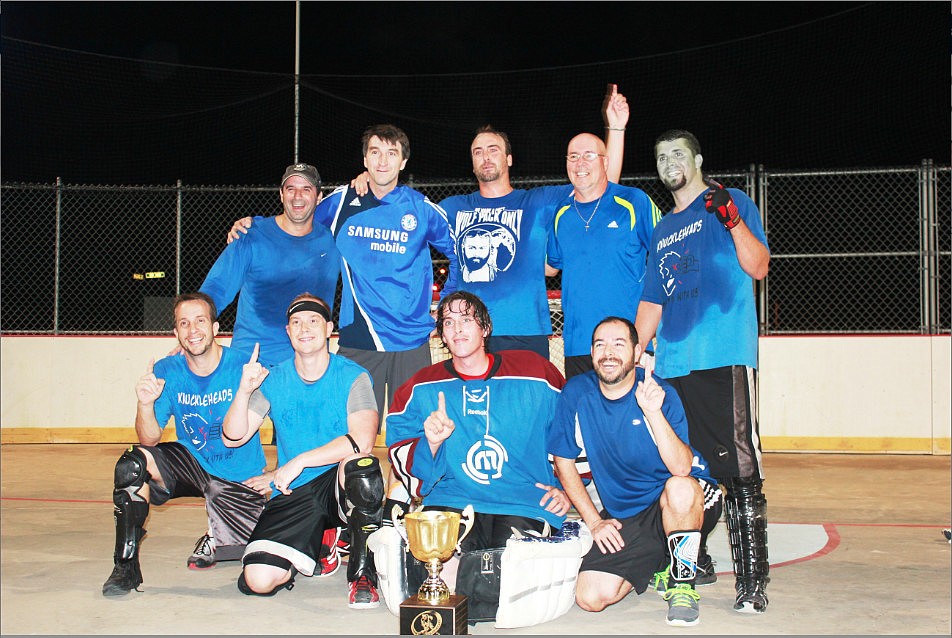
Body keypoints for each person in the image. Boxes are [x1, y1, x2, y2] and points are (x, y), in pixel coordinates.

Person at [635, 129, 771, 613]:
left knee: (738, 468)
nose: (670, 162)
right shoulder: (662, 228)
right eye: (660, 156)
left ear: (696, 158)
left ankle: (753, 583)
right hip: (673, 362)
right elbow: (652, 298)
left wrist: (733, 222)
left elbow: (759, 267)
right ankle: (698, 560)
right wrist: (636, 348)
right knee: (686, 467)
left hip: (722, 353)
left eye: (678, 153)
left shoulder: (729, 201)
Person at [429, 84, 629, 360]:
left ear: (509, 158)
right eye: (478, 152)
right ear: (472, 163)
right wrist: (367, 185)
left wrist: (616, 130)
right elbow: (405, 229)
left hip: (525, 331)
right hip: (470, 334)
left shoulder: (538, 202)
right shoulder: (451, 208)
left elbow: (601, 187)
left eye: (493, 149)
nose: (485, 157)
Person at [547, 316, 722, 627]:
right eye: (600, 344)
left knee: (680, 489)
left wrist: (653, 412)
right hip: (630, 514)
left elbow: (681, 468)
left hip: (684, 498)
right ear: (591, 353)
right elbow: (564, 462)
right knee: (590, 597)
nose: (608, 352)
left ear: (637, 352)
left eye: (619, 344)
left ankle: (682, 585)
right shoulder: (577, 393)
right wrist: (595, 522)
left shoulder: (658, 392)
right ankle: (660, 560)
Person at [221, 293, 385, 609]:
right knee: (258, 580)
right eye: (296, 322)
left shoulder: (353, 376)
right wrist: (244, 391)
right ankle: (318, 543)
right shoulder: (274, 379)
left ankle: (362, 574)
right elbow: (233, 437)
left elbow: (362, 440)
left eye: (313, 321)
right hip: (294, 492)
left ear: (329, 329)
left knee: (361, 466)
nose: (304, 328)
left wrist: (299, 461)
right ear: (287, 331)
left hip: (338, 485)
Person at [101, 292, 271, 597]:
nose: (193, 330)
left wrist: (277, 473)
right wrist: (143, 404)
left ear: (216, 328)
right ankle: (125, 567)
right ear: (176, 333)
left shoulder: (243, 366)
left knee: (262, 558)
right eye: (184, 323)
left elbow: (284, 419)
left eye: (200, 321)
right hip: (191, 464)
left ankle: (215, 534)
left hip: (238, 476)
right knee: (132, 463)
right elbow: (149, 440)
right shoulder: (168, 370)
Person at [386, 291, 570, 563]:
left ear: (485, 328)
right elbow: (408, 466)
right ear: (442, 336)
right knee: (435, 580)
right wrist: (432, 444)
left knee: (497, 579)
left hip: (523, 501)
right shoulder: (420, 387)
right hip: (453, 499)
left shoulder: (535, 372)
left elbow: (570, 432)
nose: (457, 328)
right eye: (448, 322)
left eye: (467, 320)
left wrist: (566, 489)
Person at [545, 130, 662, 379]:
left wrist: (642, 338)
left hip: (628, 346)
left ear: (605, 161)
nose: (580, 163)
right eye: (573, 156)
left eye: (589, 155)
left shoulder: (634, 202)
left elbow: (668, 258)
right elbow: (549, 267)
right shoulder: (560, 213)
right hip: (579, 347)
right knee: (584, 418)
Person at [201, 162, 340, 368]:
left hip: (308, 368)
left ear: (319, 197)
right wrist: (193, 331)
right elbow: (215, 290)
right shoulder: (250, 236)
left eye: (306, 189)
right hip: (252, 364)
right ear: (281, 195)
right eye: (290, 189)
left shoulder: (334, 241)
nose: (297, 196)